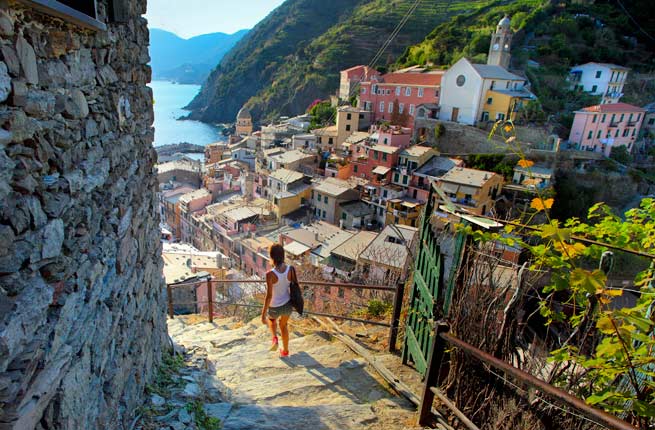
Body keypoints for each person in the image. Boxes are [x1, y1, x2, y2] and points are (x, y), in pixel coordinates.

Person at [261, 243, 294, 357]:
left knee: (271, 320)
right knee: (284, 326)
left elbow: (269, 295)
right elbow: (294, 287)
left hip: (274, 306)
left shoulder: (270, 274)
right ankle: (285, 351)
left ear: (272, 256)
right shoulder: (291, 269)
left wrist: (263, 313)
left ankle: (274, 339)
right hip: (288, 305)